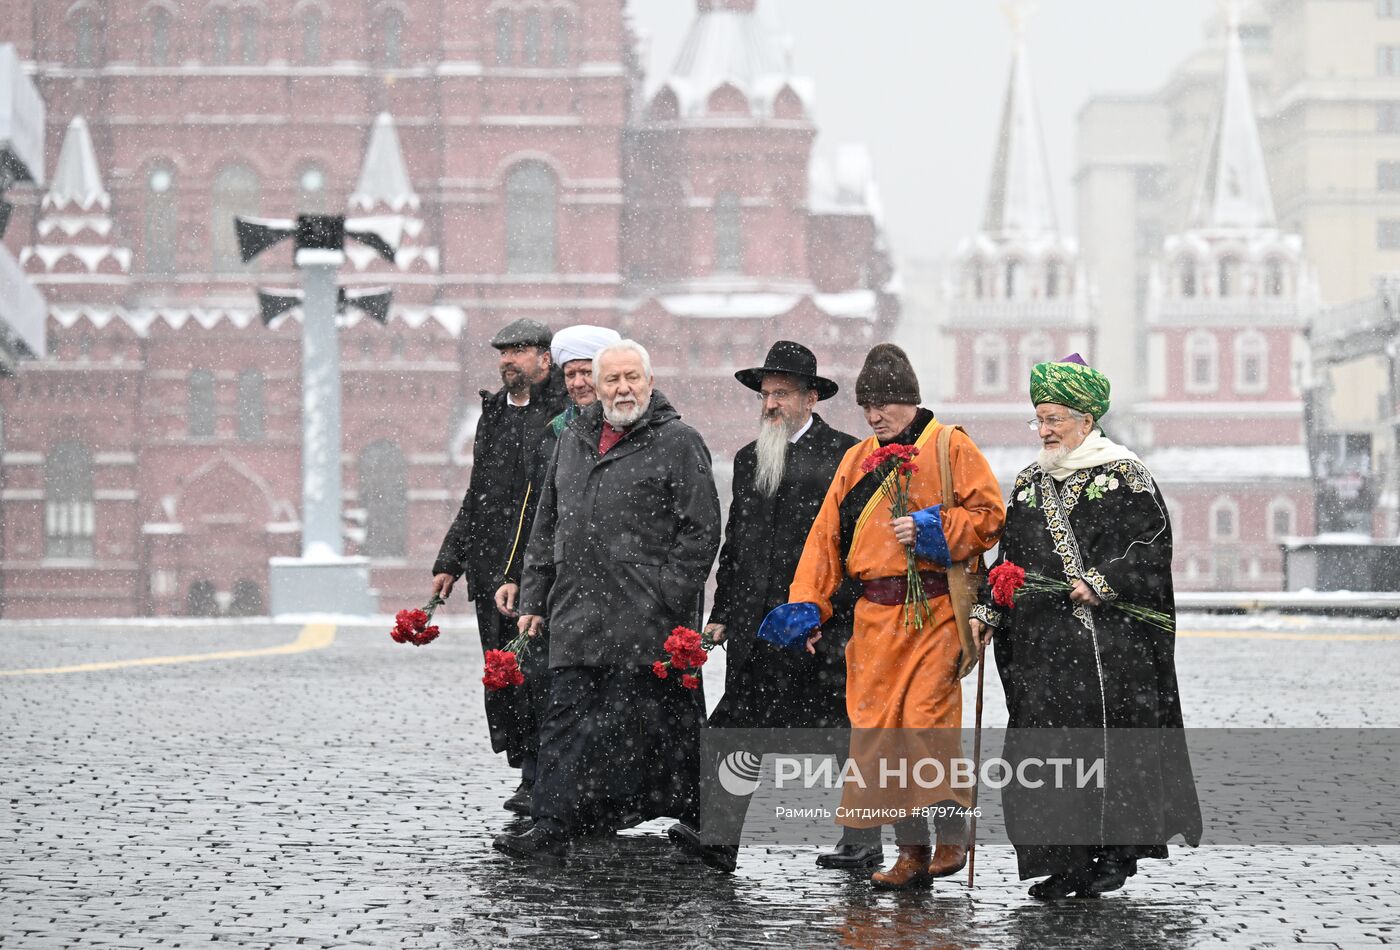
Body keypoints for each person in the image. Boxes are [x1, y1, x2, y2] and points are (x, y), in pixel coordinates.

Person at [759, 343, 1005, 890]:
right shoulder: (856, 460)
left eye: (886, 405)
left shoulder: (950, 446)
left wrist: (934, 531)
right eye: (868, 407)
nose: (875, 416)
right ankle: (910, 852)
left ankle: (951, 835)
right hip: (873, 619)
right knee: (877, 739)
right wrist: (808, 603)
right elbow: (825, 541)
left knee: (924, 722)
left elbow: (989, 517)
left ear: (911, 401)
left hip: (936, 610)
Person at [970, 354, 1201, 900]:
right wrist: (989, 606)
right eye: (1039, 419)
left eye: (1053, 419)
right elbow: (1011, 561)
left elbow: (1151, 546)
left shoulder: (1125, 474)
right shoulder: (1028, 483)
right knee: (1045, 752)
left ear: (1085, 419)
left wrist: (1101, 580)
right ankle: (1062, 862)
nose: (1044, 430)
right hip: (1042, 650)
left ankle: (1114, 855)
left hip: (1110, 647)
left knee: (1107, 750)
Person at [493, 339, 721, 866]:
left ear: (648, 381)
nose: (622, 389)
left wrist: (670, 592)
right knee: (565, 719)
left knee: (671, 725)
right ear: (595, 388)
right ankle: (551, 823)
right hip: (577, 611)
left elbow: (701, 529)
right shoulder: (571, 439)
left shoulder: (679, 441)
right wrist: (534, 596)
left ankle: (708, 828)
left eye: (631, 378)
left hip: (650, 619)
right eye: (612, 380)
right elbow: (545, 522)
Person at [665, 341, 873, 874]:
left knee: (838, 733)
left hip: (817, 622)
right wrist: (722, 613)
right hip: (758, 626)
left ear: (810, 398)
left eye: (781, 394)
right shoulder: (750, 456)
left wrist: (837, 615)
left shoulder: (846, 455)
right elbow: (738, 543)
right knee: (736, 729)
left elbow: (857, 547)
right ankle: (718, 837)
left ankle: (863, 840)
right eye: (765, 395)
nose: (771, 405)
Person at [431, 318, 566, 814]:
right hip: (490, 571)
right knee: (504, 675)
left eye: (521, 351)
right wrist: (451, 560)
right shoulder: (492, 413)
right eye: (503, 352)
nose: (509, 360)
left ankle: (544, 776)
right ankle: (525, 766)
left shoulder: (562, 415)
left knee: (541, 676)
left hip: (538, 573)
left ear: (545, 360)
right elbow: (478, 494)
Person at [492, 324, 621, 817]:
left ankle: (593, 796)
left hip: (617, 591)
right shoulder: (558, 433)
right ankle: (545, 790)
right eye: (572, 374)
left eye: (588, 372)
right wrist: (521, 581)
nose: (579, 382)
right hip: (564, 587)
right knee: (551, 689)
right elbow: (536, 514)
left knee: (603, 697)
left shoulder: (650, 433)